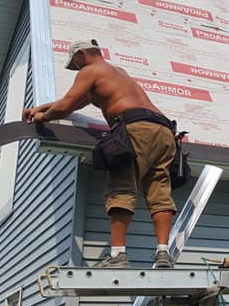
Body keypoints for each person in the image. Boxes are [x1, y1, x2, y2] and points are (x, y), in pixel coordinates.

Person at [22, 39, 177, 268]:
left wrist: (43, 118)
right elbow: (76, 102)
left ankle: (117, 256)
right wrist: (41, 107)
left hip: (136, 129)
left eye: (75, 64)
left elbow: (66, 106)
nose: (76, 69)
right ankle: (163, 253)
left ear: (82, 55)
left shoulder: (90, 70)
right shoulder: (117, 72)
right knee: (159, 193)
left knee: (121, 188)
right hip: (164, 132)